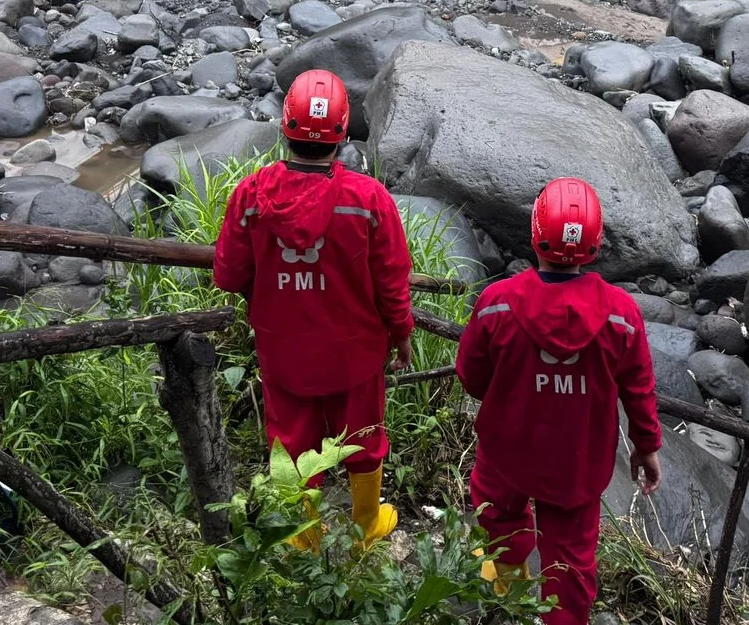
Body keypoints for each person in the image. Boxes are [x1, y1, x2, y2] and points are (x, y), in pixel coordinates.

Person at [212, 68, 414, 549]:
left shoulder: (251, 195)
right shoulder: (368, 199)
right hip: (356, 351)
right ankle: (366, 527)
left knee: (292, 439)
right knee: (364, 436)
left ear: (285, 128)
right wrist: (402, 332)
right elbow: (392, 281)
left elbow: (227, 275)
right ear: (343, 133)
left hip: (284, 350)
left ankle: (305, 540)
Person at [456, 177, 662, 625]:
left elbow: (471, 375)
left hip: (508, 446)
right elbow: (639, 387)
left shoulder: (497, 304)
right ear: (597, 244)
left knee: (497, 510)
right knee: (570, 554)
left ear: (535, 233)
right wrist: (646, 446)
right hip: (578, 460)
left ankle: (510, 585)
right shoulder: (621, 315)